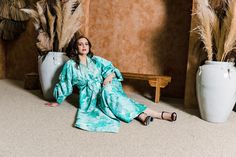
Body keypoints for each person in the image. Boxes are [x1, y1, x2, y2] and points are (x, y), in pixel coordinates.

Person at [46, 36, 177, 133]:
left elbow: (113, 70)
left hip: (106, 85)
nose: (84, 46)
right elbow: (65, 83)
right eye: (80, 44)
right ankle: (147, 115)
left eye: (86, 44)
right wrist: (58, 100)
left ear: (89, 47)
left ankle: (155, 115)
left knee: (109, 92)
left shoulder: (96, 60)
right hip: (89, 97)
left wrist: (109, 76)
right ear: (76, 48)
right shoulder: (70, 65)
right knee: (114, 98)